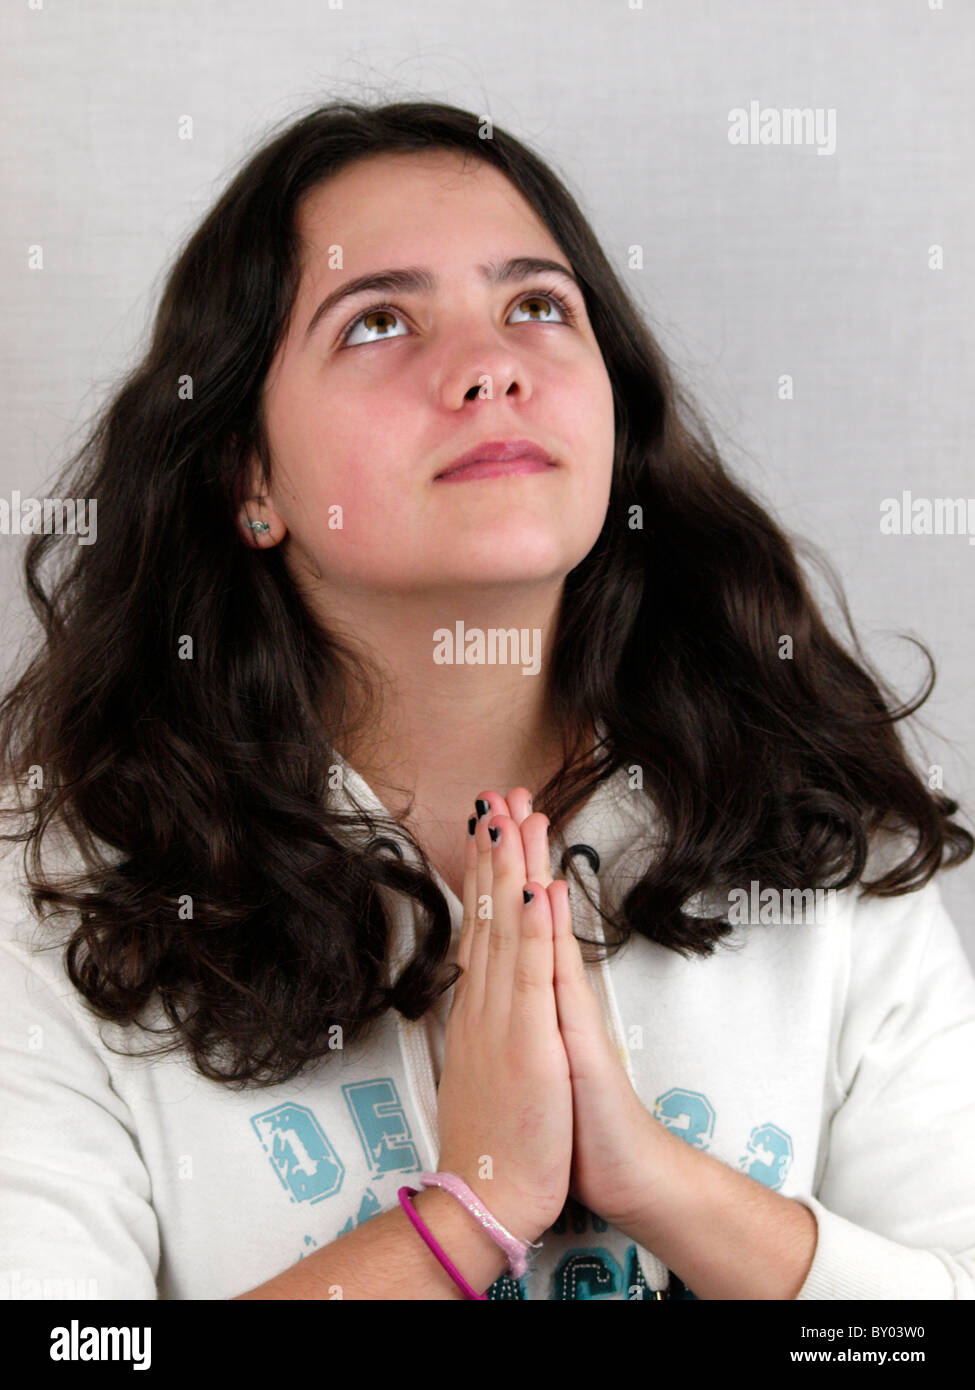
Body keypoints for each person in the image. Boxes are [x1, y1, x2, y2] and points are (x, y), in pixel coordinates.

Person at [1, 98, 973, 1302]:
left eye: (535, 306)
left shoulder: (814, 830)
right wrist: (470, 1210)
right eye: (378, 322)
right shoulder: (56, 898)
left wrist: (661, 1184)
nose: (489, 368)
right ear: (249, 477)